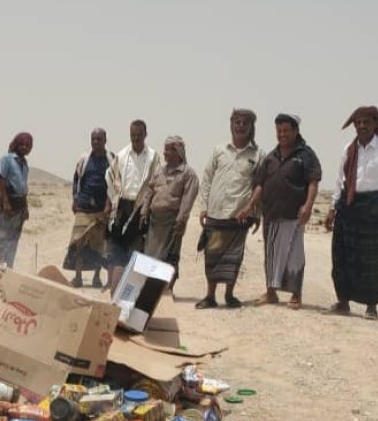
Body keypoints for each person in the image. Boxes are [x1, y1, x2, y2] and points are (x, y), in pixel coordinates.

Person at [324, 106, 378, 319]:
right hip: (348, 206)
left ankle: (371, 306)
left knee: (370, 258)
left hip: (372, 206)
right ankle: (343, 301)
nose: (361, 126)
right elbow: (339, 181)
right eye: (358, 123)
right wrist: (332, 208)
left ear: (375, 124)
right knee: (341, 255)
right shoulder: (348, 149)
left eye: (366, 122)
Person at [238, 114, 321, 310]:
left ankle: (296, 294)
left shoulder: (306, 155)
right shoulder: (271, 157)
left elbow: (313, 181)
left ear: (295, 131)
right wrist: (249, 205)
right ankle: (271, 292)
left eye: (286, 131)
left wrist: (308, 206)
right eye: (279, 131)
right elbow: (260, 184)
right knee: (271, 254)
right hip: (272, 214)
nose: (282, 135)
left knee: (294, 255)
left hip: (294, 215)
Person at [196, 109, 265, 309]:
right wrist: (203, 207)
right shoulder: (219, 150)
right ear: (231, 125)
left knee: (234, 257)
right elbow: (207, 178)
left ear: (252, 127)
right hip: (216, 212)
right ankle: (210, 296)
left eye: (245, 122)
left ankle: (229, 295)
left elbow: (260, 185)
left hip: (240, 215)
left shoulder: (258, 154)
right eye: (237, 122)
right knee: (212, 255)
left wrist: (256, 213)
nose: (240, 126)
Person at [105, 119, 159, 290]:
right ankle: (115, 289)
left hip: (142, 208)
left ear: (145, 135)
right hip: (121, 208)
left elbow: (156, 182)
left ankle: (131, 290)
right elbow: (111, 179)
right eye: (133, 135)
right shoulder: (121, 155)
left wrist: (148, 208)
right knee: (116, 251)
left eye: (139, 135)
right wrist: (110, 204)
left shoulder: (153, 157)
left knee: (136, 251)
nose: (136, 138)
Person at [140, 136, 199, 291]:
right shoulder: (159, 171)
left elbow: (188, 199)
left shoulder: (188, 174)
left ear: (178, 152)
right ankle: (151, 289)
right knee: (150, 257)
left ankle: (168, 289)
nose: (165, 153)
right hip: (155, 222)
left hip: (173, 222)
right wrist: (144, 211)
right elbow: (149, 191)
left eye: (169, 149)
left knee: (170, 257)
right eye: (165, 149)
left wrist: (181, 219)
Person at [63, 129, 115, 288]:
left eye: (99, 139)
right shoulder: (84, 159)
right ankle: (78, 277)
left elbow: (114, 184)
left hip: (101, 209)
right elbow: (76, 179)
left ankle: (96, 278)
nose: (96, 142)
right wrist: (75, 199)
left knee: (98, 245)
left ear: (105, 140)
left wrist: (108, 204)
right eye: (93, 139)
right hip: (83, 208)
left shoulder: (111, 159)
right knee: (78, 243)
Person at [0, 132, 33, 268]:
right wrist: (5, 202)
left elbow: (23, 188)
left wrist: (26, 208)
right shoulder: (7, 159)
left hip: (20, 203)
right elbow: (1, 180)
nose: (25, 148)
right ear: (17, 144)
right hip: (9, 201)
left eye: (28, 145)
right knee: (3, 234)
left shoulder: (25, 164)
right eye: (22, 144)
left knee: (15, 237)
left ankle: (10, 265)